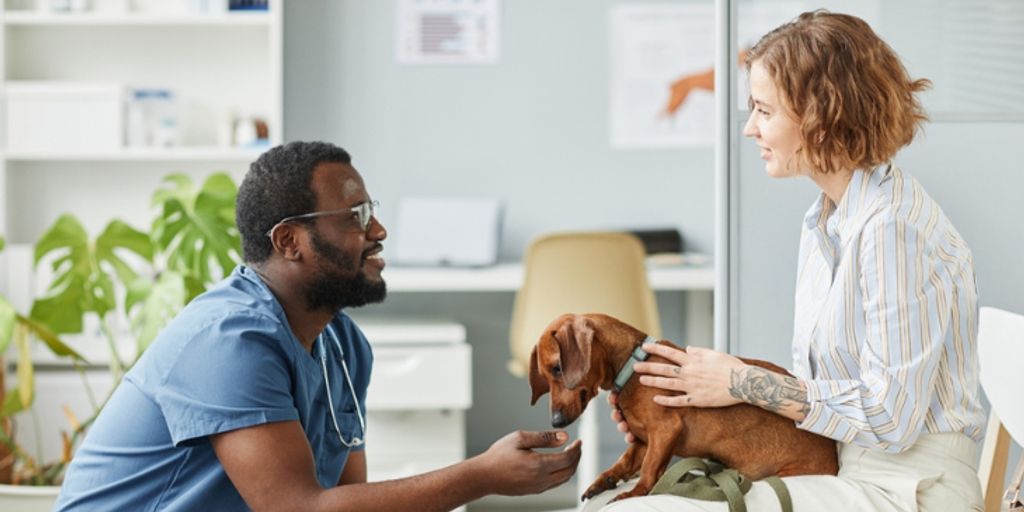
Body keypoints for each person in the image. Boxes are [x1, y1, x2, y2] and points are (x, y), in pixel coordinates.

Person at [588, 10, 985, 512]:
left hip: (912, 489)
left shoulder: (892, 230)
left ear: (822, 115)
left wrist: (740, 382)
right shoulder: (827, 220)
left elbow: (891, 418)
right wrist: (688, 411)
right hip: (849, 467)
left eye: (764, 111)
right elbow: (832, 398)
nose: (750, 128)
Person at [56, 141, 581, 511]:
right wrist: (480, 476)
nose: (378, 230)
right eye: (354, 215)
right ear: (289, 242)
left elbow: (343, 500)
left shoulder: (342, 344)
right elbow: (298, 510)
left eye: (370, 210)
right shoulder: (227, 340)